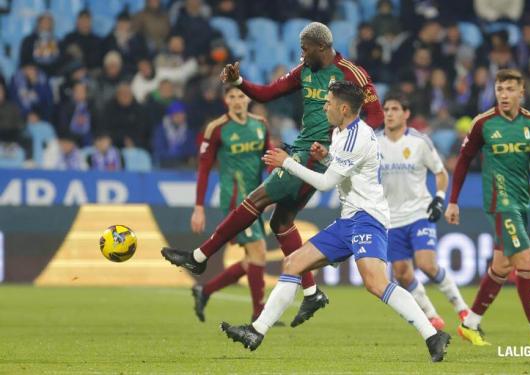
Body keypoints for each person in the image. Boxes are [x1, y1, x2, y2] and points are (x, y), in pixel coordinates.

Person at [161, 22, 384, 327]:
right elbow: (267, 93)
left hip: (315, 156)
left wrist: (342, 140)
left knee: (257, 198)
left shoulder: (351, 74)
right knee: (281, 222)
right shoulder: (304, 70)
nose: (301, 54)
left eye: (305, 48)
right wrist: (239, 80)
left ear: (321, 47)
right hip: (303, 147)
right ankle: (312, 292)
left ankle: (199, 258)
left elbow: (376, 116)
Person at [220, 81, 451, 362]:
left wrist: (288, 163)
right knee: (293, 262)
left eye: (328, 102)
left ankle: (432, 334)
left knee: (376, 284)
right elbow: (348, 170)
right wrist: (327, 157)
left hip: (368, 218)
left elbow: (328, 184)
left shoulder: (358, 136)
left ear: (343, 108)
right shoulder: (342, 133)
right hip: (349, 219)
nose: (324, 106)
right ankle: (256, 331)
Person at [445, 69, 530, 347]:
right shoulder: (483, 123)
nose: (504, 95)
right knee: (526, 258)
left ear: (521, 93)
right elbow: (463, 161)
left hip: (520, 201)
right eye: (499, 89)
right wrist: (453, 200)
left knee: (502, 265)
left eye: (509, 89)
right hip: (499, 200)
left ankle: (470, 323)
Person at [377, 93, 469, 330]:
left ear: (406, 114)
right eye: (386, 109)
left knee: (427, 264)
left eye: (395, 109)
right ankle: (432, 316)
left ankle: (462, 309)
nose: (389, 113)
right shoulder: (374, 143)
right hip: (391, 218)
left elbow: (441, 172)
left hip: (419, 212)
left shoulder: (420, 142)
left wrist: (439, 199)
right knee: (401, 273)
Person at [189, 85, 272, 323]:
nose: (237, 100)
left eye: (241, 96)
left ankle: (205, 291)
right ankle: (259, 314)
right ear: (226, 100)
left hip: (257, 198)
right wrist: (199, 207)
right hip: (236, 200)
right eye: (232, 96)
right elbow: (204, 169)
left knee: (252, 259)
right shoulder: (217, 129)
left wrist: (274, 191)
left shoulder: (260, 125)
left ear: (248, 99)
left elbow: (269, 159)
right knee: (258, 251)